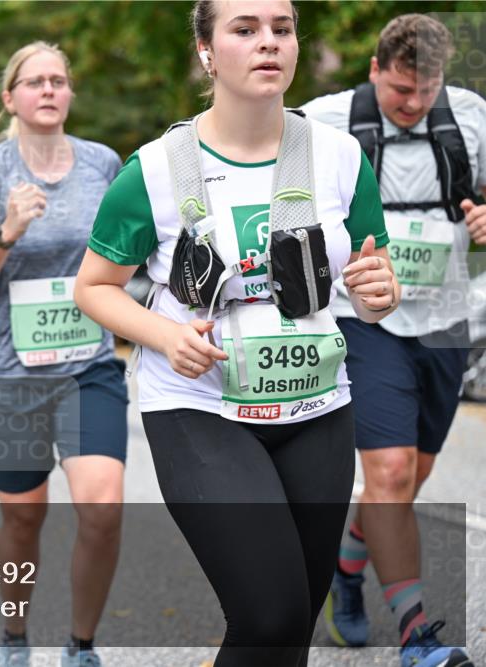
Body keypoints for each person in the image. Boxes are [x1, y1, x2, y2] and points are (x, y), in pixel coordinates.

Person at [74, 2, 400, 665]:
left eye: (281, 28)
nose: (268, 43)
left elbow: (375, 280)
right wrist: (165, 335)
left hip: (317, 406)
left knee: (289, 628)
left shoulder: (341, 157)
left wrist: (380, 293)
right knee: (269, 608)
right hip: (202, 407)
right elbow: (94, 287)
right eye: (245, 29)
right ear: (205, 50)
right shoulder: (154, 171)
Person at [301, 14, 483, 667]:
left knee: (407, 480)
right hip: (365, 318)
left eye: (425, 90)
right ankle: (416, 635)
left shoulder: (470, 117)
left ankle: (347, 569)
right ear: (374, 70)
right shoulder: (321, 121)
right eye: (400, 90)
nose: (412, 104)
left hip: (443, 319)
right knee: (391, 471)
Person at [0, 42, 128, 667]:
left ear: (69, 93)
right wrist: (6, 232)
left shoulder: (104, 164)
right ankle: (14, 634)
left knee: (102, 508)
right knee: (25, 520)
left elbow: (135, 251)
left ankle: (80, 644)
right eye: (34, 82)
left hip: (89, 367)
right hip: (11, 375)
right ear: (11, 98)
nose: (48, 90)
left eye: (58, 80)